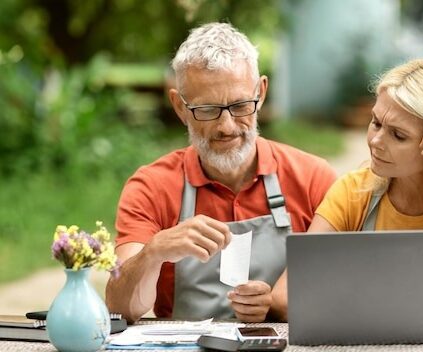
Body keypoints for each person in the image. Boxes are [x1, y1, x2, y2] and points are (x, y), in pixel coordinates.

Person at [105, 22, 337, 323]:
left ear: (261, 93)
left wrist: (277, 304)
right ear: (179, 106)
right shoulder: (151, 187)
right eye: (207, 109)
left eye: (240, 105)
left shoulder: (313, 178)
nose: (226, 126)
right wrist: (154, 252)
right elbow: (120, 310)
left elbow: (343, 291)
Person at [271, 58, 423, 321]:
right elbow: (287, 295)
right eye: (376, 123)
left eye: (398, 135)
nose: (376, 142)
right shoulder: (355, 192)